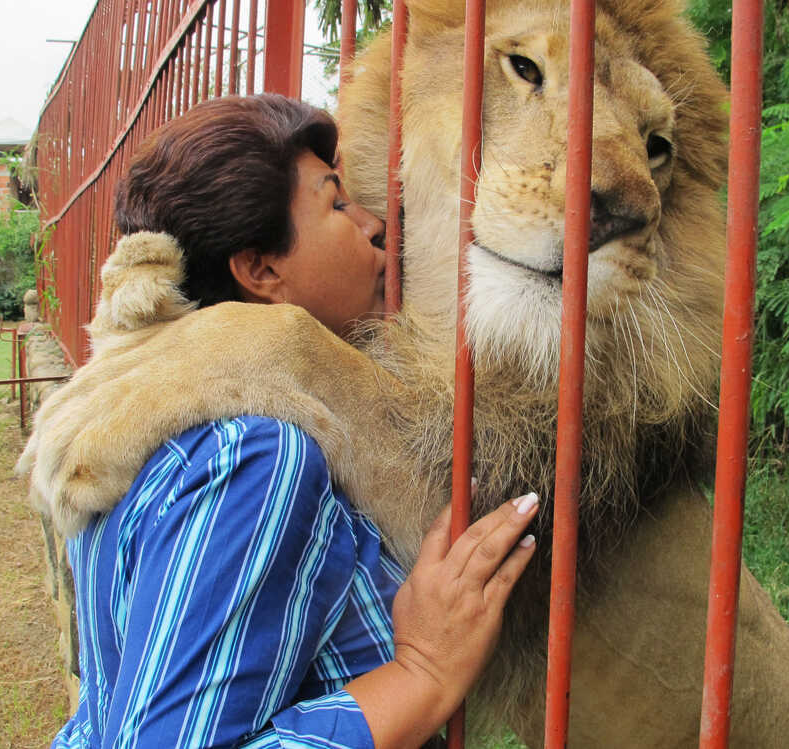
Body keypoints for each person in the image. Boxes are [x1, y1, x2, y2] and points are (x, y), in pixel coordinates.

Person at [48, 94, 537, 749]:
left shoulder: (146, 416)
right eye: (336, 204)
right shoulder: (251, 454)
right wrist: (422, 673)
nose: (373, 225)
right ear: (261, 269)